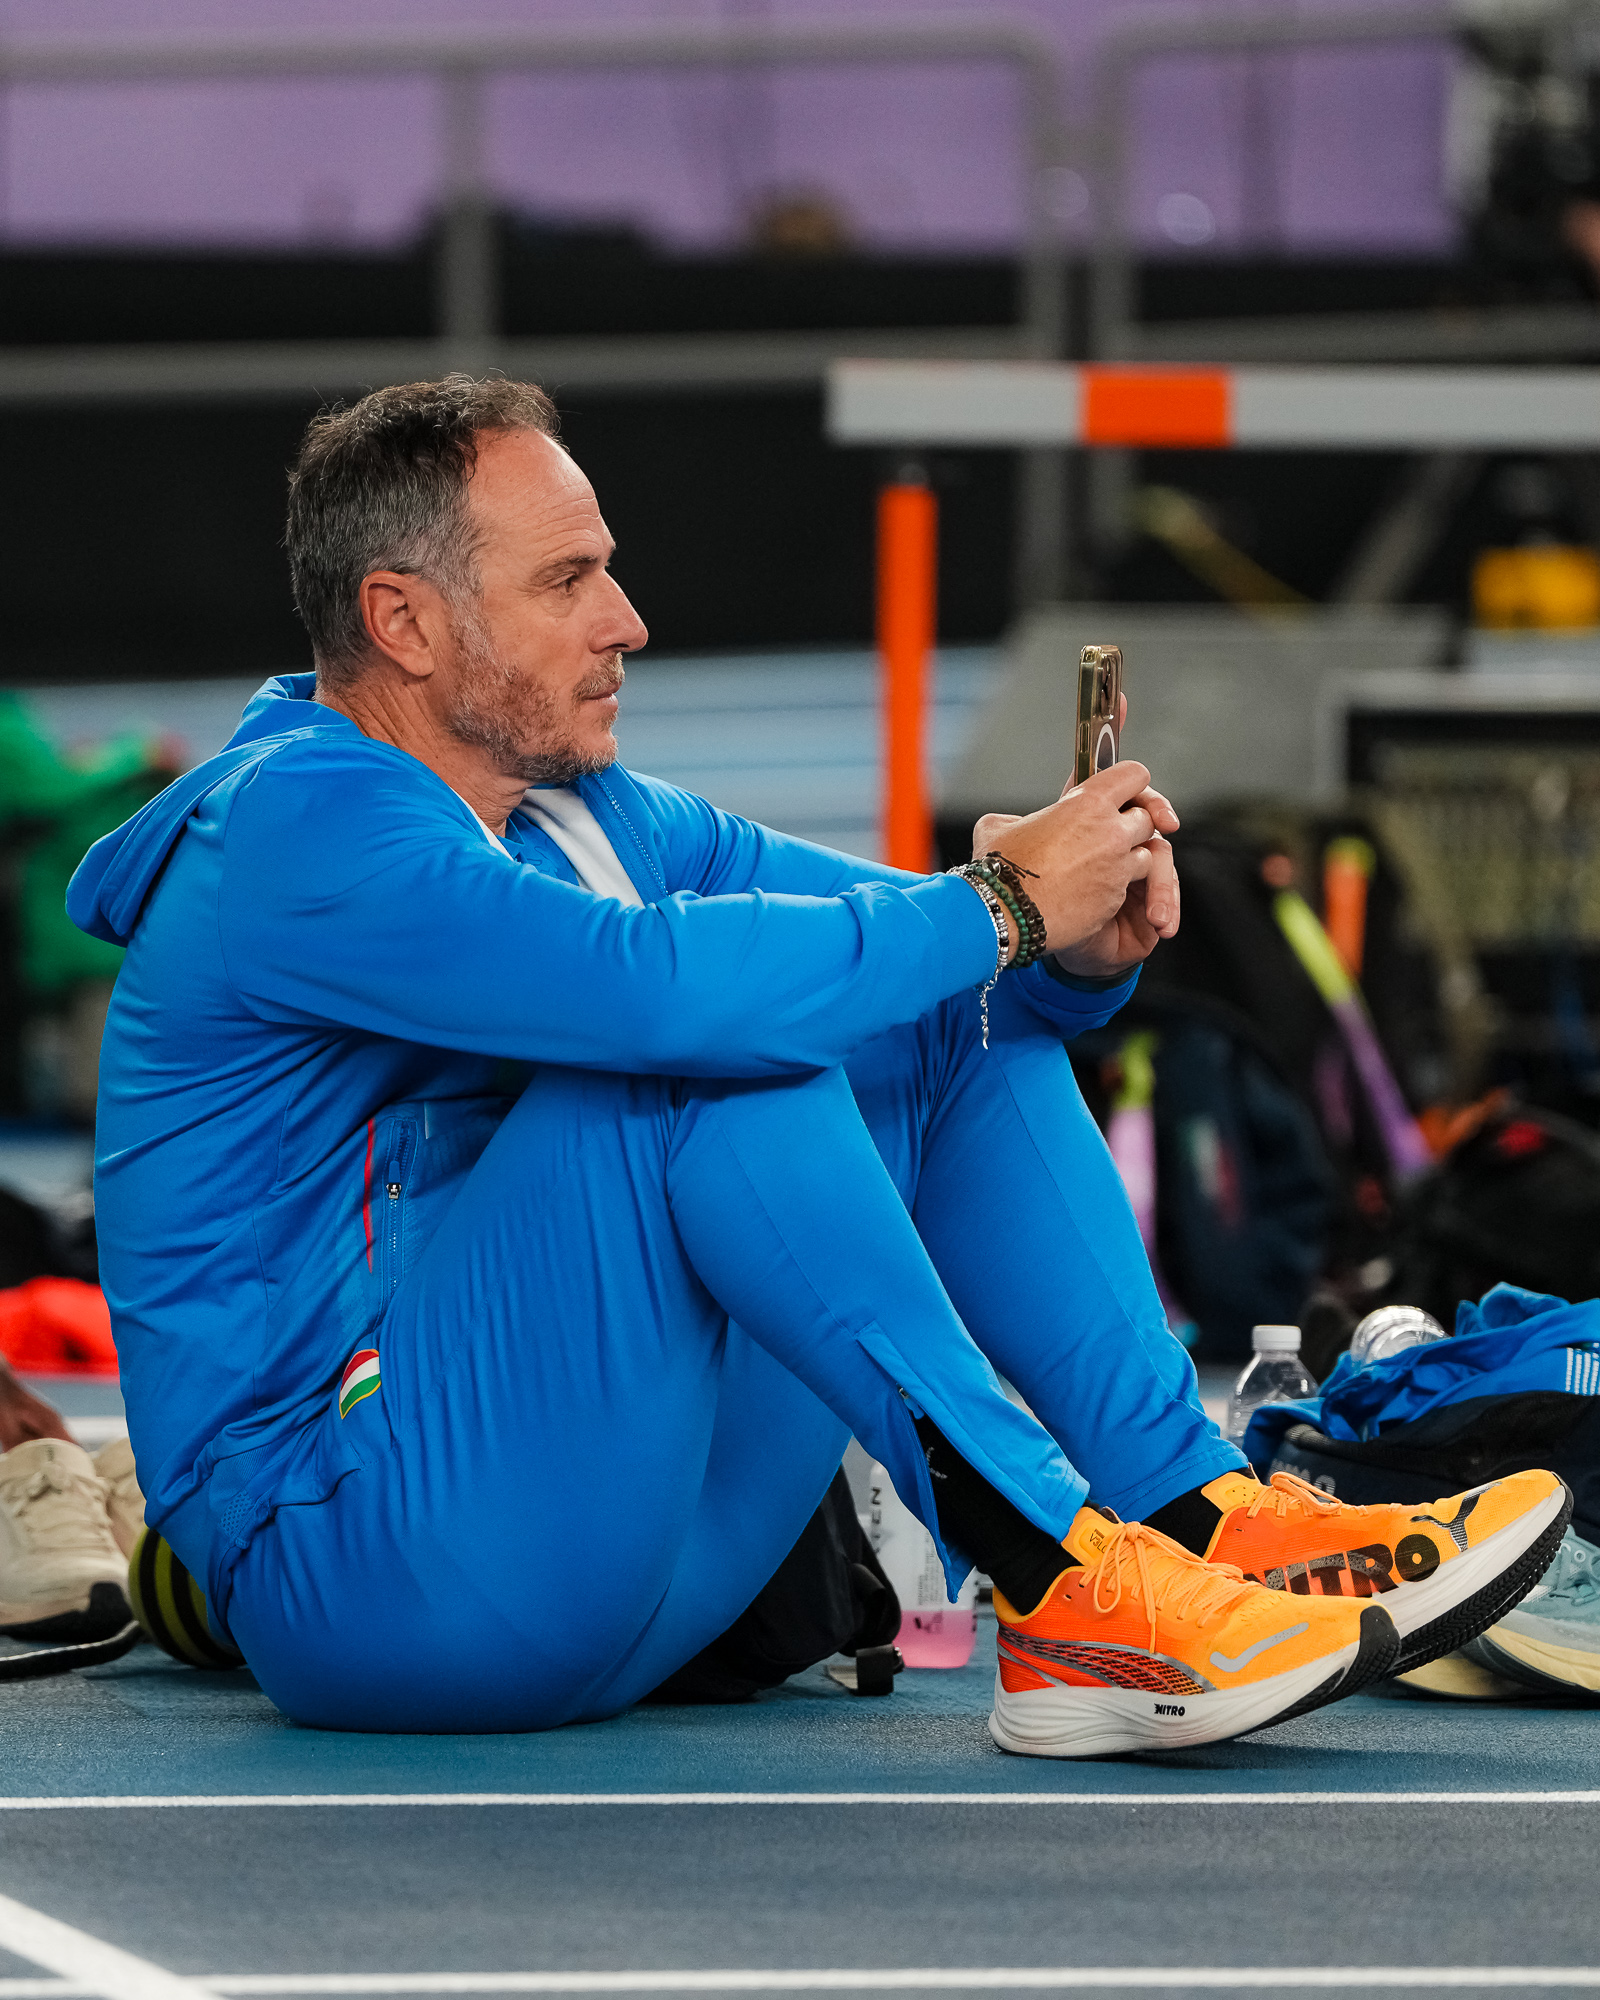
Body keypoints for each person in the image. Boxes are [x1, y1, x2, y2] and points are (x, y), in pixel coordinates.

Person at [66, 377, 1565, 1751]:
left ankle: (1197, 1516)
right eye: (567, 581)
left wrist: (1067, 945)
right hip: (364, 1570)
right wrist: (1000, 905)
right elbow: (666, 995)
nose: (626, 620)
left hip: (628, 1556)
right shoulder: (293, 826)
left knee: (926, 1004)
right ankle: (1066, 1585)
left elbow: (912, 952)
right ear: (401, 621)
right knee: (706, 1054)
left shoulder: (587, 811)